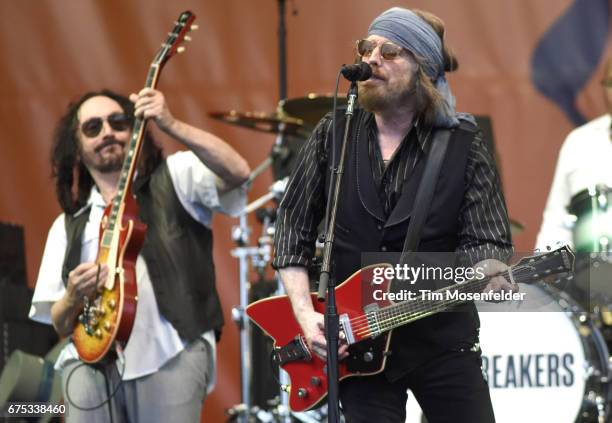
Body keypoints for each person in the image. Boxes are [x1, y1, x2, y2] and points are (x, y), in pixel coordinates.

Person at [272, 7, 514, 423]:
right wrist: (304, 313)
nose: (371, 60)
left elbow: (489, 244)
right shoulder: (334, 132)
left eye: (389, 52)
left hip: (442, 344)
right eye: (367, 48)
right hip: (356, 348)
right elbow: (292, 227)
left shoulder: (463, 144)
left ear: (423, 68)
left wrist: (469, 273)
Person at [28, 87, 250, 422]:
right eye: (92, 127)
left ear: (134, 130)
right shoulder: (66, 226)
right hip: (92, 361)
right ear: (76, 146)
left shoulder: (175, 177)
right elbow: (58, 319)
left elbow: (238, 171)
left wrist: (171, 123)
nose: (107, 133)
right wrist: (73, 295)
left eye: (118, 122)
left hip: (172, 351)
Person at [536, 58, 612, 251]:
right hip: (592, 277)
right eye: (611, 83)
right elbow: (556, 225)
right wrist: (540, 275)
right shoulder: (579, 142)